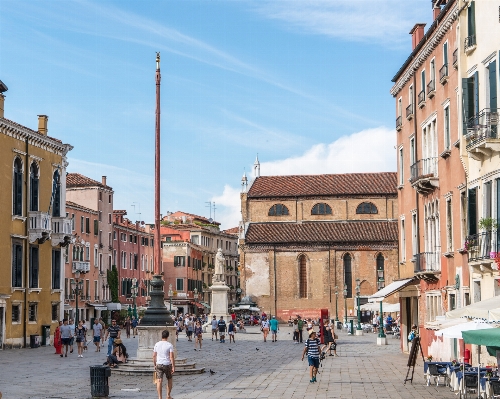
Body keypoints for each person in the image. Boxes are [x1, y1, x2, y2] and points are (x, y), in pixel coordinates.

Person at [153, 329, 175, 399]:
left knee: (159, 380)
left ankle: (160, 397)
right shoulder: (169, 345)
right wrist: (173, 366)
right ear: (167, 336)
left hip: (159, 364)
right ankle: (168, 395)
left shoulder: (157, 344)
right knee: (169, 379)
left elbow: (154, 356)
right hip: (167, 364)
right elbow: (171, 357)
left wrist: (154, 364)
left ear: (161, 336)